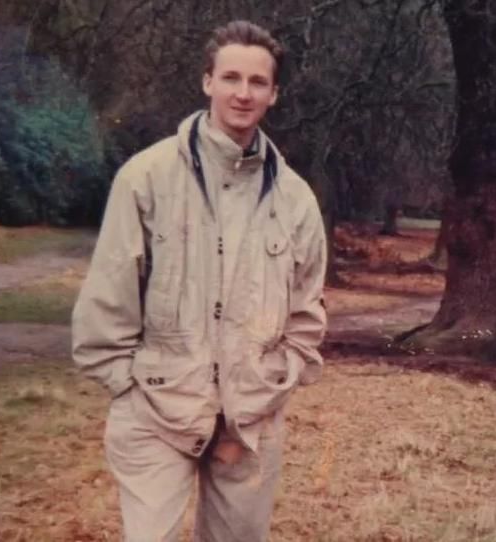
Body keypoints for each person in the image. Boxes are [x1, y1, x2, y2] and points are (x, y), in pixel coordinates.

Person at [71, 20, 327, 542]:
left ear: (273, 94)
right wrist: (131, 390)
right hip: (156, 413)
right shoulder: (146, 178)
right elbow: (107, 301)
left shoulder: (296, 200)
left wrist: (268, 388)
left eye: (258, 82)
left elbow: (307, 313)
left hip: (250, 422)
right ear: (207, 81)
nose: (243, 92)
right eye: (231, 77)